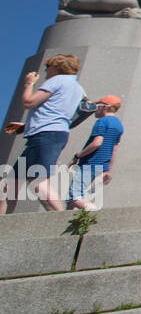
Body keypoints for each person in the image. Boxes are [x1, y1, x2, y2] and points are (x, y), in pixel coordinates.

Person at [2, 55, 86, 213]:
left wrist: (29, 83)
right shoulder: (76, 87)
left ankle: (59, 220)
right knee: (10, 185)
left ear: (57, 67)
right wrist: (25, 127)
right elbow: (57, 113)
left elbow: (29, 102)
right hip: (52, 134)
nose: (46, 70)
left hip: (45, 136)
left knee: (38, 182)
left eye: (48, 66)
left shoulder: (57, 80)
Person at [67, 96, 125, 210]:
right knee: (75, 201)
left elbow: (97, 143)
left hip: (90, 163)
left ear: (104, 107)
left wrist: (78, 155)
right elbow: (114, 149)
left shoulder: (102, 121)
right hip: (102, 166)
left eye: (97, 106)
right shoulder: (118, 125)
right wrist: (107, 170)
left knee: (74, 197)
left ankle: (94, 212)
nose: (94, 109)